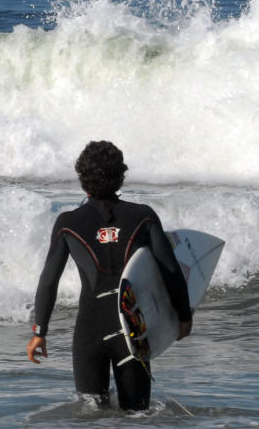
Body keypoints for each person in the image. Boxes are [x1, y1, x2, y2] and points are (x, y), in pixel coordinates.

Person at [25, 140, 192, 411]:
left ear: (82, 180)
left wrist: (39, 331)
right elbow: (170, 271)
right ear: (120, 176)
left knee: (91, 417)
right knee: (138, 415)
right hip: (132, 330)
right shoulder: (142, 216)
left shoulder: (68, 223)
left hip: (89, 333)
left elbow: (49, 281)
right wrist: (184, 317)